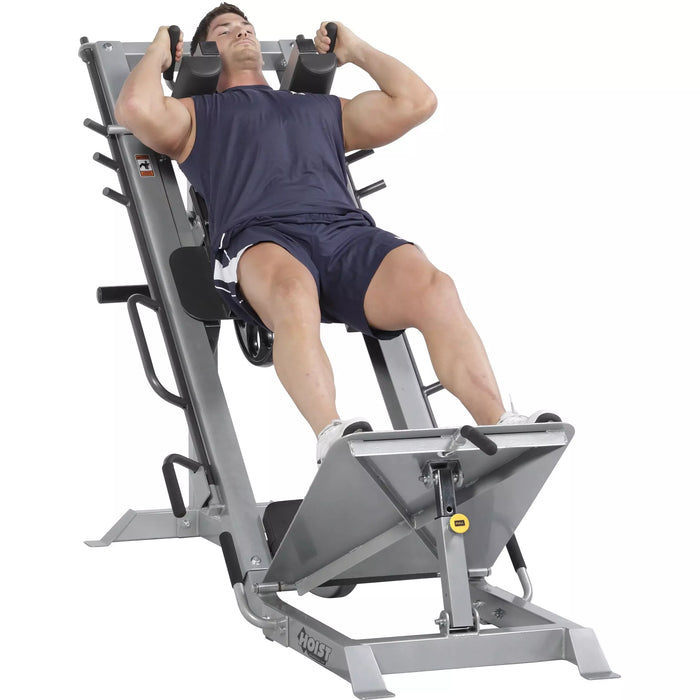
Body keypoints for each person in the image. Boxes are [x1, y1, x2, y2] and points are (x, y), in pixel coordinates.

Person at [116, 3, 548, 465]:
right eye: (224, 30)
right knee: (291, 290)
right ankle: (332, 434)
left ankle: (501, 424)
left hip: (345, 234)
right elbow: (136, 107)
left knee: (435, 286)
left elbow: (417, 102)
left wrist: (355, 50)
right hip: (261, 238)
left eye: (246, 26)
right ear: (202, 54)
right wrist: (161, 47)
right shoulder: (195, 114)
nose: (241, 32)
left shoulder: (322, 109)